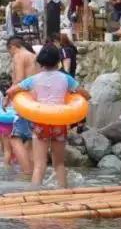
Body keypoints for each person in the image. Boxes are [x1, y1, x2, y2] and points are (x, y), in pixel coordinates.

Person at [8, 44, 92, 187]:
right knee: (59, 163)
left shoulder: (33, 79)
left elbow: (11, 91)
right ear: (58, 61)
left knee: (39, 165)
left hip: (40, 124)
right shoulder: (66, 79)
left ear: (40, 62)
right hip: (59, 123)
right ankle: (64, 192)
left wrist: (25, 98)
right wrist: (71, 95)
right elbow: (86, 95)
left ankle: (35, 197)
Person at [6, 36, 36, 174]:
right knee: (30, 138)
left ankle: (27, 173)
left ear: (13, 47)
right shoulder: (33, 56)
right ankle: (34, 172)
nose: (11, 55)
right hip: (36, 102)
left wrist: (8, 96)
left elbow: (19, 79)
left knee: (15, 138)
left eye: (9, 51)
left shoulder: (19, 56)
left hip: (25, 102)